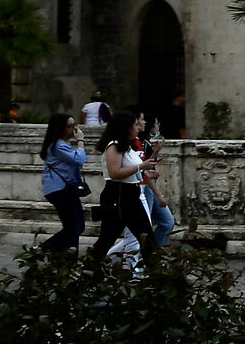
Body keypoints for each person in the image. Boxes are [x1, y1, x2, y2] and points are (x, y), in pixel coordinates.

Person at [86, 115, 158, 267]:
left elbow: (130, 169)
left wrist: (144, 172)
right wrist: (141, 167)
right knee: (106, 239)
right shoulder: (114, 145)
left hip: (131, 194)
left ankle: (158, 276)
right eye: (134, 125)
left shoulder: (128, 146)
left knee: (147, 237)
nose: (137, 128)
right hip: (118, 195)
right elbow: (115, 173)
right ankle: (88, 272)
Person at [39, 113, 89, 254]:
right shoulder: (58, 146)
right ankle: (50, 251)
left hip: (66, 190)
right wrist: (81, 141)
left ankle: (51, 251)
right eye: (70, 126)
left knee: (77, 227)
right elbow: (79, 159)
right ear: (60, 128)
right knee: (73, 228)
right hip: (60, 190)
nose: (74, 129)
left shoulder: (63, 145)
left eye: (75, 125)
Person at [131, 111, 174, 249]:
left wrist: (155, 153)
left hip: (148, 186)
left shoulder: (143, 143)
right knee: (142, 229)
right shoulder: (135, 144)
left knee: (167, 222)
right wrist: (158, 195)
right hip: (143, 188)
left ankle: (154, 251)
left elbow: (145, 167)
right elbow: (143, 170)